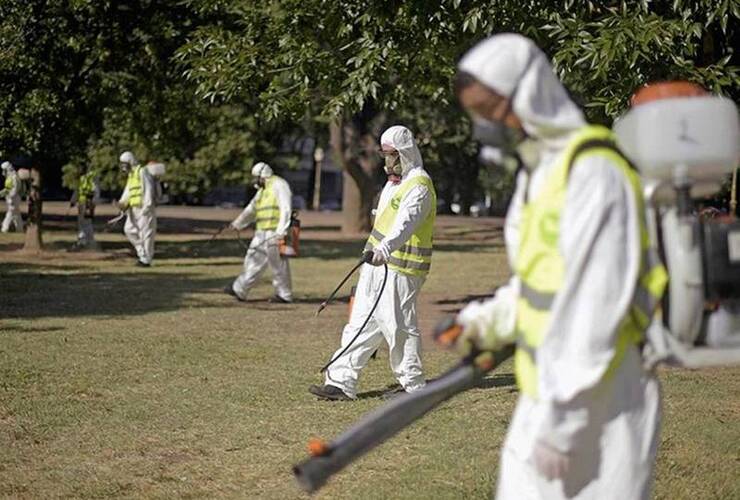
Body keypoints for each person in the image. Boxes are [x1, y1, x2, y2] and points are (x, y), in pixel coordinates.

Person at [453, 34, 667, 499]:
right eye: (478, 114)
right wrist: (487, 321)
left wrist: (564, 421)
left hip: (602, 400)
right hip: (547, 391)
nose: (486, 125)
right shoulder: (538, 174)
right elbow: (537, 283)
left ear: (529, 93)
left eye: (491, 108)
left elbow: (596, 302)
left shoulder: (594, 172)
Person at [309, 125, 436, 401]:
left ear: (405, 153)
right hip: (375, 266)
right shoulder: (394, 184)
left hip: (401, 269)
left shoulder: (420, 185)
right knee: (360, 322)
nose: (387, 162)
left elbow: (405, 223)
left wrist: (385, 250)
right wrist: (374, 255)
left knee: (399, 326)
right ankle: (341, 381)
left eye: (392, 155)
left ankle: (413, 387)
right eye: (384, 155)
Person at [224, 162, 293, 303]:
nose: (254, 181)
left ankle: (284, 295)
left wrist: (281, 231)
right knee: (253, 260)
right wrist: (237, 224)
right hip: (261, 233)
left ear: (262, 175)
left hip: (275, 232)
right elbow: (251, 209)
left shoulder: (279, 184)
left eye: (255, 177)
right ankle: (240, 289)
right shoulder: (262, 191)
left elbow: (286, 208)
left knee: (278, 264)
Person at [118, 151, 157, 266]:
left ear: (130, 161)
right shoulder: (131, 175)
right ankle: (142, 253)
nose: (123, 166)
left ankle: (146, 260)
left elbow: (149, 189)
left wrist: (148, 206)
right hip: (133, 209)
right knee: (128, 230)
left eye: (124, 163)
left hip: (144, 208)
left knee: (147, 234)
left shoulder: (142, 171)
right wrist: (122, 203)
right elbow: (128, 191)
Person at [69, 167, 100, 250]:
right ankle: (89, 242)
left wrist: (93, 203)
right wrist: (73, 200)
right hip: (82, 203)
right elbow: (78, 190)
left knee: (85, 223)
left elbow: (96, 191)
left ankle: (83, 242)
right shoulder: (82, 178)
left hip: (88, 203)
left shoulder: (91, 177)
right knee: (84, 222)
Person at [1, 161, 24, 233]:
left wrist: (10, 197)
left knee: (10, 213)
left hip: (14, 198)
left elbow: (15, 189)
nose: (3, 172)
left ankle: (4, 228)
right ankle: (20, 229)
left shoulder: (14, 177)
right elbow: (7, 188)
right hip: (11, 198)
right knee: (16, 214)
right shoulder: (9, 177)